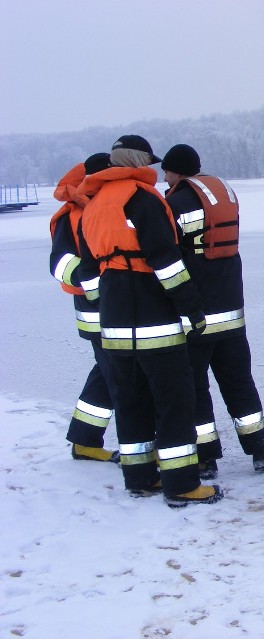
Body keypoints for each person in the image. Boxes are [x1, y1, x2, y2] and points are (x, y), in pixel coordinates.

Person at [77, 134, 223, 506]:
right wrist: (192, 307)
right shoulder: (144, 201)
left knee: (131, 402)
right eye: (150, 164)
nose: (156, 172)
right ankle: (182, 483)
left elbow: (89, 270)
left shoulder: (93, 204)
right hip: (154, 319)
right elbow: (167, 262)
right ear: (138, 162)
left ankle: (140, 477)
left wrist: (107, 300)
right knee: (174, 400)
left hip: (113, 320)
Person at [162, 143, 264, 478]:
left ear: (177, 171)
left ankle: (206, 457)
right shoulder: (223, 198)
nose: (163, 176)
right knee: (240, 382)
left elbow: (166, 253)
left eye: (165, 170)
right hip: (232, 313)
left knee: (196, 387)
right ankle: (260, 450)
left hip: (196, 317)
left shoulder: (175, 204)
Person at [49, 152, 119, 463]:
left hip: (115, 307)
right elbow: (61, 263)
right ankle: (140, 450)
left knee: (107, 374)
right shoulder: (71, 213)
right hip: (97, 312)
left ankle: (85, 439)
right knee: (120, 376)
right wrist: (102, 283)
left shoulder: (102, 206)